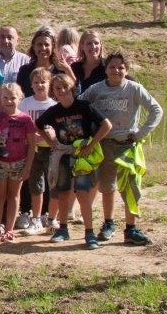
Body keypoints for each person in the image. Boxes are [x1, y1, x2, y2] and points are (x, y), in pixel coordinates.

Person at [80, 52, 163, 246]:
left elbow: (156, 110)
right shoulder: (96, 89)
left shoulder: (134, 89)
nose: (116, 71)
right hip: (104, 145)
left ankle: (131, 228)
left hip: (128, 145)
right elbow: (81, 105)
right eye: (112, 67)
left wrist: (141, 133)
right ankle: (108, 224)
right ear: (106, 69)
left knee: (131, 188)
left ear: (126, 69)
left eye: (121, 67)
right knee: (107, 187)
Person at [37, 74, 112, 249]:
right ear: (53, 92)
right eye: (57, 88)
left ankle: (89, 233)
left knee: (83, 194)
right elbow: (38, 125)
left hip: (81, 157)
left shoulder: (84, 106)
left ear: (72, 87)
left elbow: (106, 125)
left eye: (64, 86)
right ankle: (63, 229)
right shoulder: (54, 111)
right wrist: (51, 143)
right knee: (63, 192)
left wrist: (92, 145)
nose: (62, 90)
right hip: (63, 156)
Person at [0, 83, 36, 243]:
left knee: (14, 196)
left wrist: (28, 167)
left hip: (19, 163)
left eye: (13, 98)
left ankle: (10, 229)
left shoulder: (25, 119)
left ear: (20, 98)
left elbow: (32, 145)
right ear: (0, 99)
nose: (9, 101)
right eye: (6, 98)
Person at [21, 69, 58, 235]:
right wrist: (29, 137)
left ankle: (50, 217)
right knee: (36, 185)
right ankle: (35, 218)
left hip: (51, 149)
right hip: (32, 150)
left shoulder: (54, 105)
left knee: (53, 184)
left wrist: (52, 134)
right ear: (31, 85)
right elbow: (19, 123)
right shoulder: (26, 103)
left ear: (49, 84)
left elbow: (60, 128)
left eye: (43, 82)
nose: (39, 85)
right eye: (36, 82)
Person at [15, 27, 64, 95]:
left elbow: (74, 92)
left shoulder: (60, 70)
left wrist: (68, 70)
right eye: (39, 44)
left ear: (52, 47)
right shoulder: (25, 71)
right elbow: (19, 95)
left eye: (46, 45)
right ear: (34, 47)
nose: (43, 48)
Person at [67, 30, 107, 94]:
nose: (93, 46)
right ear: (82, 46)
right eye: (89, 43)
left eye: (96, 43)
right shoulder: (75, 67)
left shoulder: (107, 66)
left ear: (100, 45)